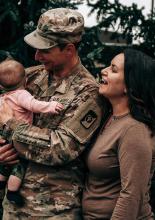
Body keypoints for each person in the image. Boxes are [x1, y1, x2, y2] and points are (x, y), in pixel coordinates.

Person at [0, 8, 105, 219]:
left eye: (44, 50)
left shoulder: (89, 93)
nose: (37, 56)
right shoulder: (31, 76)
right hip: (13, 207)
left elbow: (60, 148)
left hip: (54, 210)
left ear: (68, 49)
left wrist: (9, 125)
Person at [82, 49, 155, 220]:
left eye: (113, 69)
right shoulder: (109, 117)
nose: (103, 70)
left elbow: (131, 195)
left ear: (128, 85)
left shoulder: (134, 129)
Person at [0, 59, 63, 207]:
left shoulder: (2, 98)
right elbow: (34, 105)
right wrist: (51, 106)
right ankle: (12, 191)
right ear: (26, 80)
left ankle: (1, 181)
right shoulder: (21, 94)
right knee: (20, 164)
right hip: (18, 137)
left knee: (4, 162)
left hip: (4, 136)